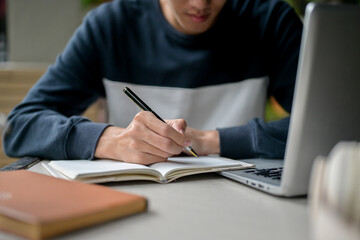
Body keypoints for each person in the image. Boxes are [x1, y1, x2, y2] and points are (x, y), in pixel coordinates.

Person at [3, 0, 303, 165]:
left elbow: (333, 125)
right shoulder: (111, 26)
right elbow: (21, 127)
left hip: (246, 203)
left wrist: (209, 141)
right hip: (134, 203)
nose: (201, 4)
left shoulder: (270, 22)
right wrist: (111, 140)